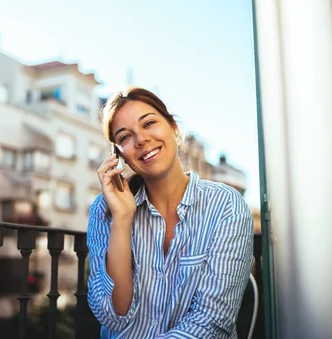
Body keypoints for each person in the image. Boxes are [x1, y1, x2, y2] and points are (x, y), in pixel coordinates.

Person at [87, 87, 254, 338]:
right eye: (124, 137)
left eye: (149, 123)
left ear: (174, 128)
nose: (141, 140)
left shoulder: (226, 205)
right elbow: (112, 316)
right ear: (118, 156)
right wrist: (122, 219)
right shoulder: (105, 209)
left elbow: (211, 321)